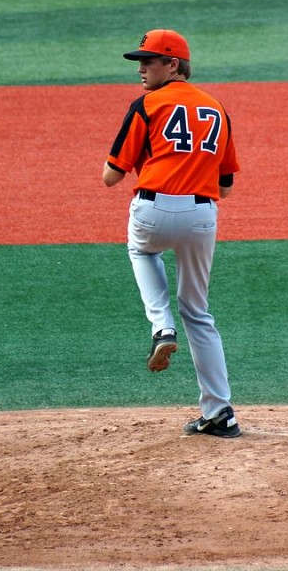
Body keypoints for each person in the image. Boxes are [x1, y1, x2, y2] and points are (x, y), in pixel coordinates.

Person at [101, 29, 242, 438]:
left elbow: (111, 176)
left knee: (142, 252)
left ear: (173, 64)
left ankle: (161, 327)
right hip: (201, 216)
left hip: (153, 210)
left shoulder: (147, 104)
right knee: (197, 312)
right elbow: (226, 186)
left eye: (148, 61)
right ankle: (220, 413)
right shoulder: (216, 107)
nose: (141, 69)